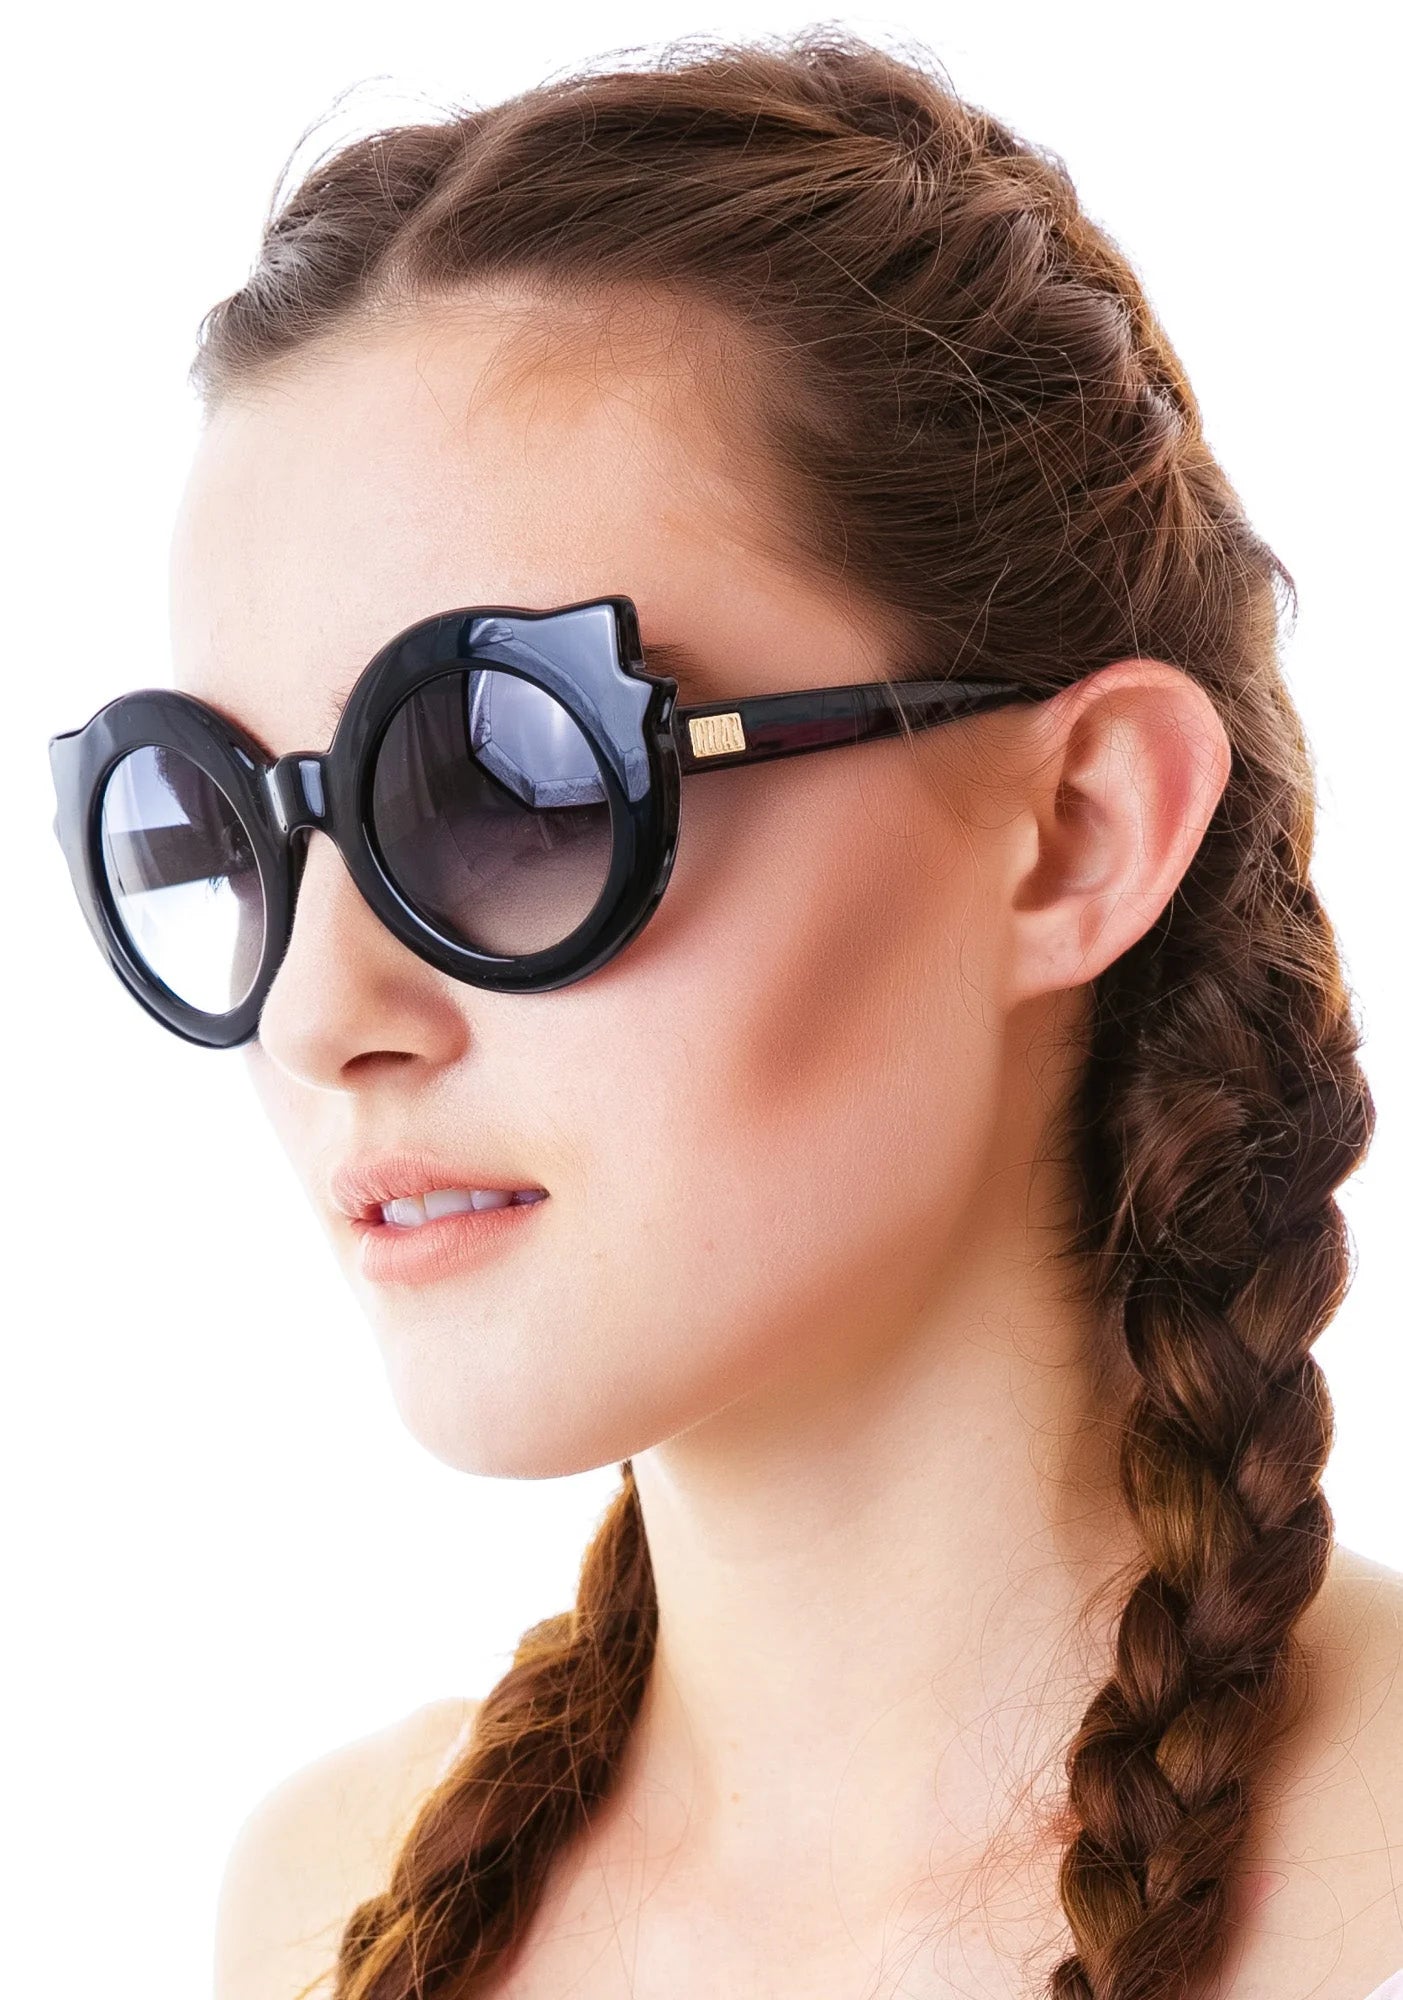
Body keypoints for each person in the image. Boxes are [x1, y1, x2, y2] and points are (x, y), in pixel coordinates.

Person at [46, 24, 1403, 2000]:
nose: (320, 1012)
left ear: (1075, 831)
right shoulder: (316, 1905)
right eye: (223, 827)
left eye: (508, 781)